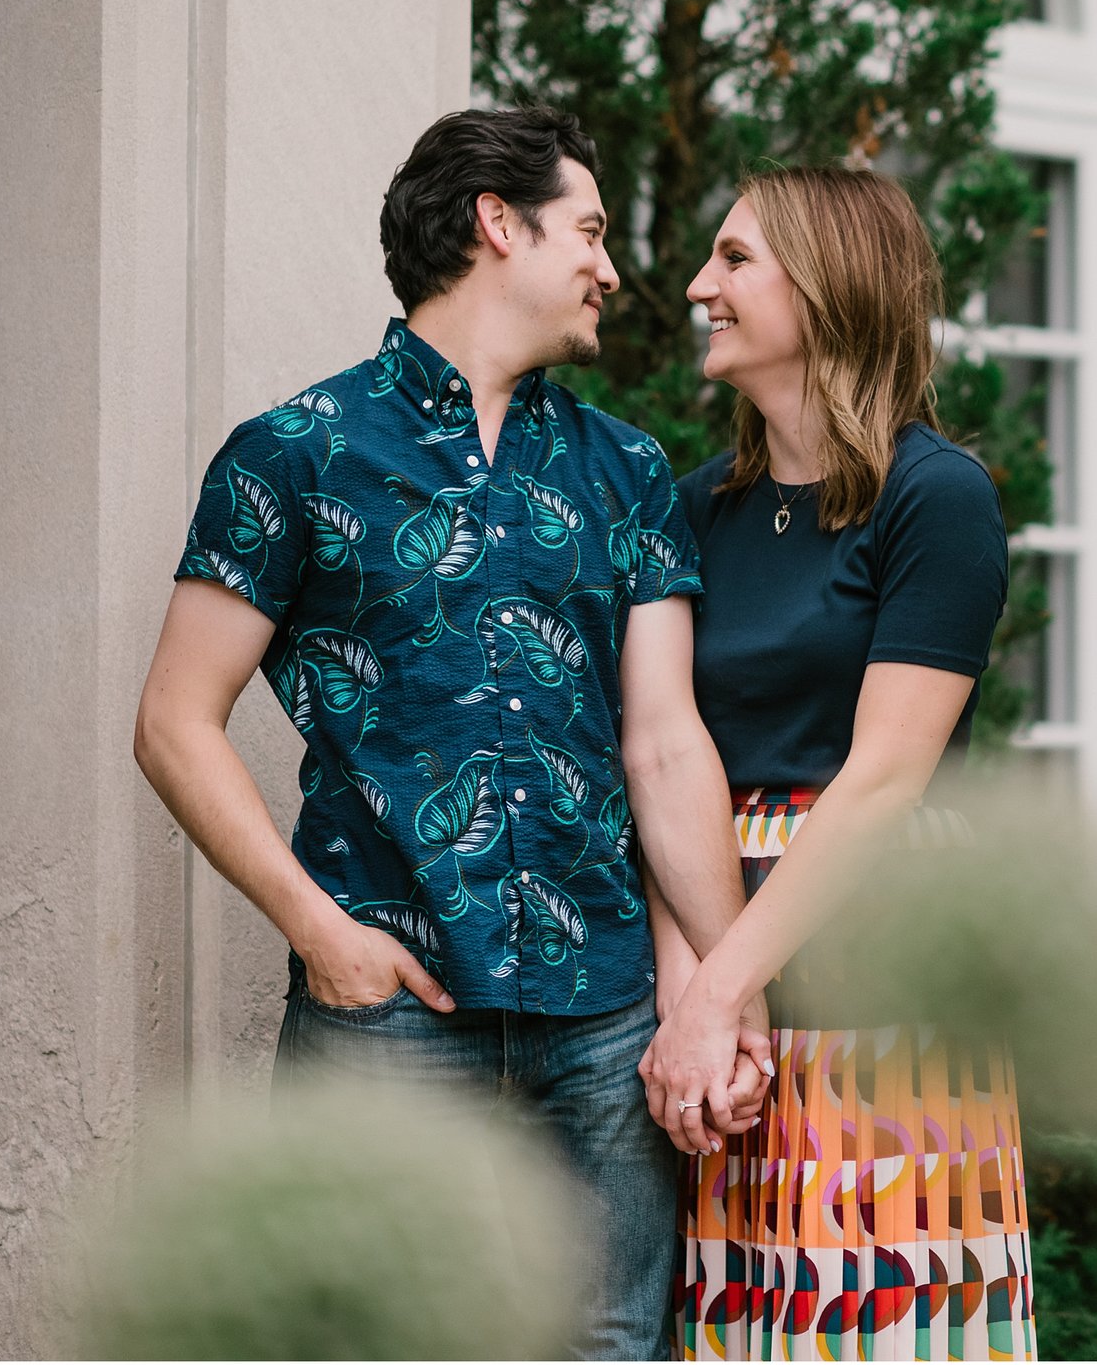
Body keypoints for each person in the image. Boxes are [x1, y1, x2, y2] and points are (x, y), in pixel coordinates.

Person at [131, 106, 765, 1360]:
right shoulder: (292, 456)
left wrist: (724, 985)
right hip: (388, 1015)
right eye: (586, 230)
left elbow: (666, 740)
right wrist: (322, 937)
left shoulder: (625, 469)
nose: (610, 267)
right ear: (495, 225)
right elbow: (172, 722)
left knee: (606, 1345)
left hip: (604, 1021)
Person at [647, 166, 1033, 1361]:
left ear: (826, 286)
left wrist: (719, 991)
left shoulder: (936, 496)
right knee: (737, 1322)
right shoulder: (694, 506)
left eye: (735, 259)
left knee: (875, 1328)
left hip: (873, 954)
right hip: (716, 943)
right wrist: (692, 996)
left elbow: (881, 781)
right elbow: (660, 758)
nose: (701, 285)